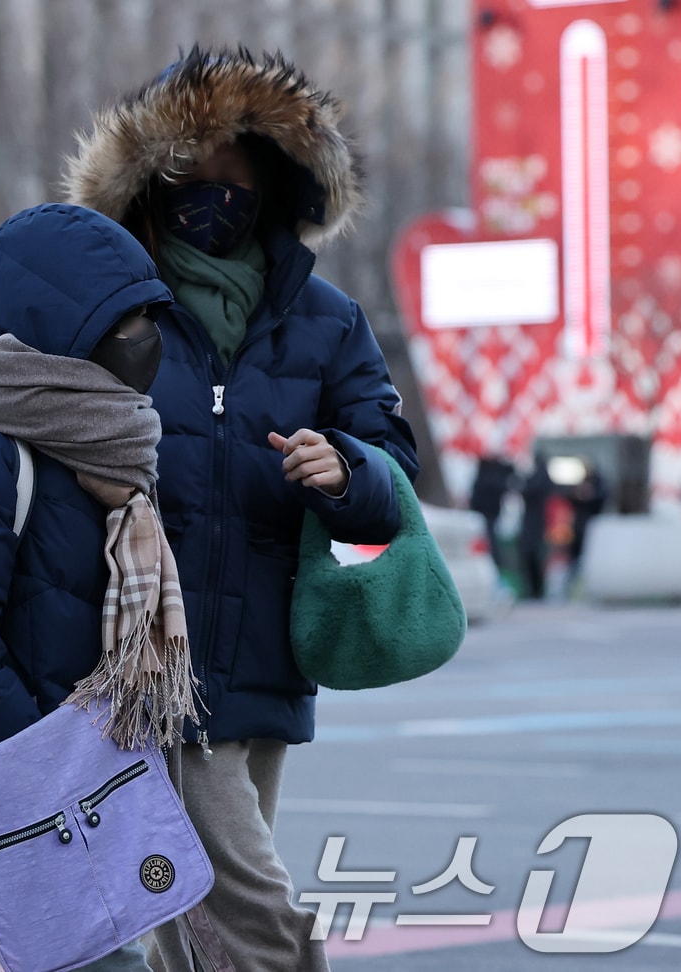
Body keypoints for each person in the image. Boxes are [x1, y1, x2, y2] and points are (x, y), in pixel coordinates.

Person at [62, 46, 419, 971]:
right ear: (151, 185)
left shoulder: (327, 320)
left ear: (277, 186)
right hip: (142, 657)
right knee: (245, 908)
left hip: (267, 661)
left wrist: (345, 470)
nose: (214, 196)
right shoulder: (110, 311)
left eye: (238, 177)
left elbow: (393, 469)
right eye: (192, 176)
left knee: (193, 914)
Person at [0, 202, 190, 971]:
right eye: (127, 323)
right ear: (67, 327)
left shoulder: (105, 449)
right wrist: (28, 762)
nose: (145, 343)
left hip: (75, 795)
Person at [564, 460, 607, 594]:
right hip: (578, 527)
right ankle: (574, 588)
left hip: (591, 527)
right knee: (575, 559)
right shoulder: (580, 483)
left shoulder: (598, 484)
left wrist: (589, 496)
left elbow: (601, 500)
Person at [470, 454, 516, 567]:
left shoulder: (488, 475)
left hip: (487, 512)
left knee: (489, 539)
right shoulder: (493, 475)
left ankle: (494, 563)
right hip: (488, 512)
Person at [517, 457, 554, 601]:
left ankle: (537, 589)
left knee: (535, 556)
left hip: (536, 523)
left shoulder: (537, 480)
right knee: (533, 556)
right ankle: (536, 589)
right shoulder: (541, 479)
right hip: (536, 522)